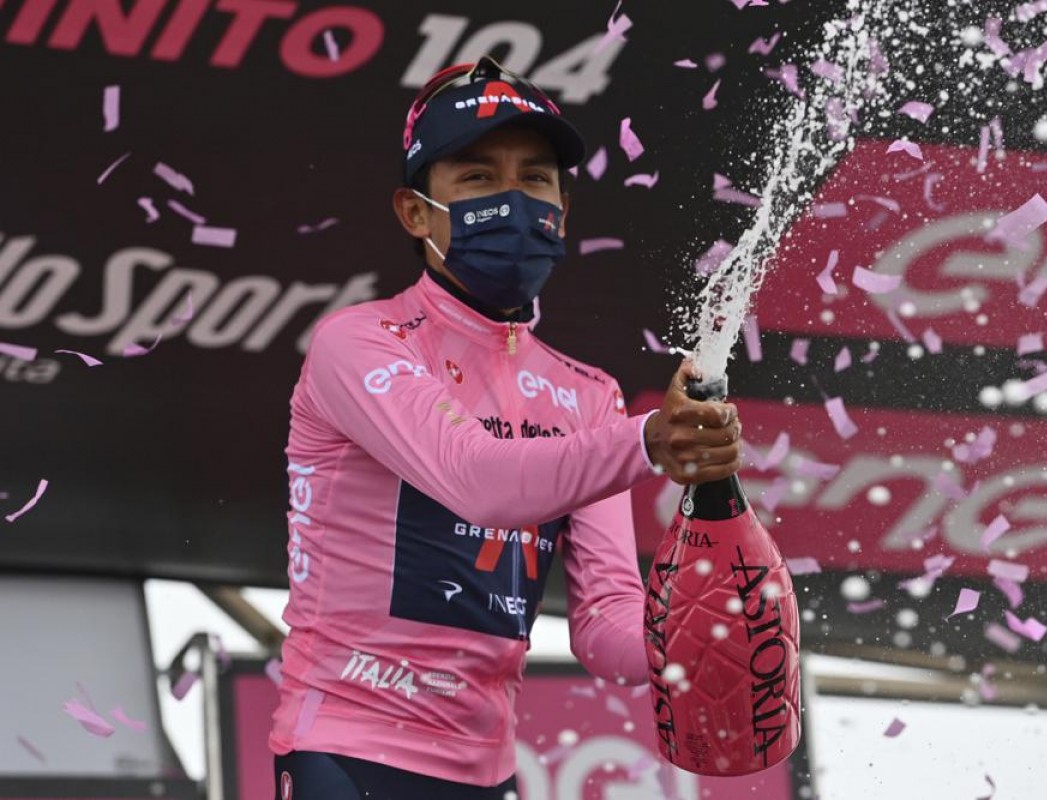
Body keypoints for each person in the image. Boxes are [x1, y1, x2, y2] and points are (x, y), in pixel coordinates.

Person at [269, 56, 742, 800]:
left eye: (535, 178)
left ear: (563, 209)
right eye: (478, 176)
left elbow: (605, 623)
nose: (513, 199)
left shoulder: (589, 395)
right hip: (345, 751)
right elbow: (477, 480)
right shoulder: (358, 343)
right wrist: (651, 440)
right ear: (415, 213)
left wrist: (694, 643)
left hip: (488, 771)